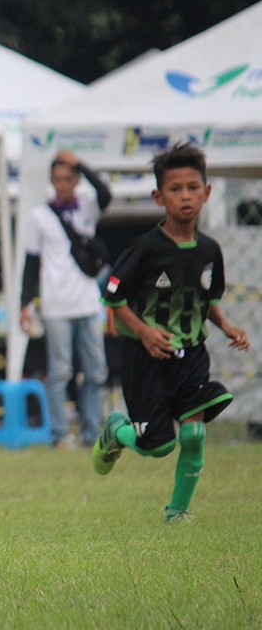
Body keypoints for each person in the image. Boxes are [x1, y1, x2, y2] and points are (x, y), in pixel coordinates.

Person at [92, 142, 248, 523]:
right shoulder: (145, 249)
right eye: (175, 189)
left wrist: (226, 325)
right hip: (147, 359)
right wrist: (144, 332)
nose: (185, 196)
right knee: (157, 446)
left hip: (192, 355)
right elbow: (113, 297)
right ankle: (117, 430)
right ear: (158, 197)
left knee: (194, 436)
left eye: (193, 187)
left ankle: (177, 513)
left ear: (207, 193)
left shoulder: (210, 250)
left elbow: (204, 298)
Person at [19, 149, 111, 448]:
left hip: (87, 300)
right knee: (61, 372)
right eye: (58, 179)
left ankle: (91, 432)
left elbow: (106, 192)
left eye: (69, 178)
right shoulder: (40, 216)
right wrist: (25, 303)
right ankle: (59, 434)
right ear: (51, 181)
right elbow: (31, 263)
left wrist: (80, 163)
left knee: (96, 371)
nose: (63, 184)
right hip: (56, 303)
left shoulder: (87, 207)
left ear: (76, 180)